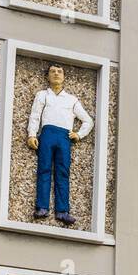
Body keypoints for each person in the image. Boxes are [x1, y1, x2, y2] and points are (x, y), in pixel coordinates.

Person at [27, 64, 93, 225]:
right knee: (44, 170)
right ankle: (42, 207)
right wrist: (31, 134)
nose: (56, 74)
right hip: (47, 134)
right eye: (52, 71)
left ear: (64, 77)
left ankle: (62, 211)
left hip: (64, 137)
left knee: (62, 173)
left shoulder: (71, 100)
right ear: (47, 76)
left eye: (59, 72)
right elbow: (35, 115)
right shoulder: (43, 95)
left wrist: (78, 134)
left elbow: (88, 120)